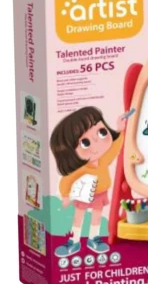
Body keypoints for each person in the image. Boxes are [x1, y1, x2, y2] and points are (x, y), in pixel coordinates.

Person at [50, 106, 127, 256]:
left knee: (97, 215)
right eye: (85, 142)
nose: (97, 141)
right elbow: (66, 180)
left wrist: (120, 130)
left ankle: (94, 238)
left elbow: (115, 147)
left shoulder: (104, 160)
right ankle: (74, 240)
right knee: (79, 216)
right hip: (84, 194)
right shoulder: (82, 169)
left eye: (102, 132)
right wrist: (65, 196)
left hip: (100, 193)